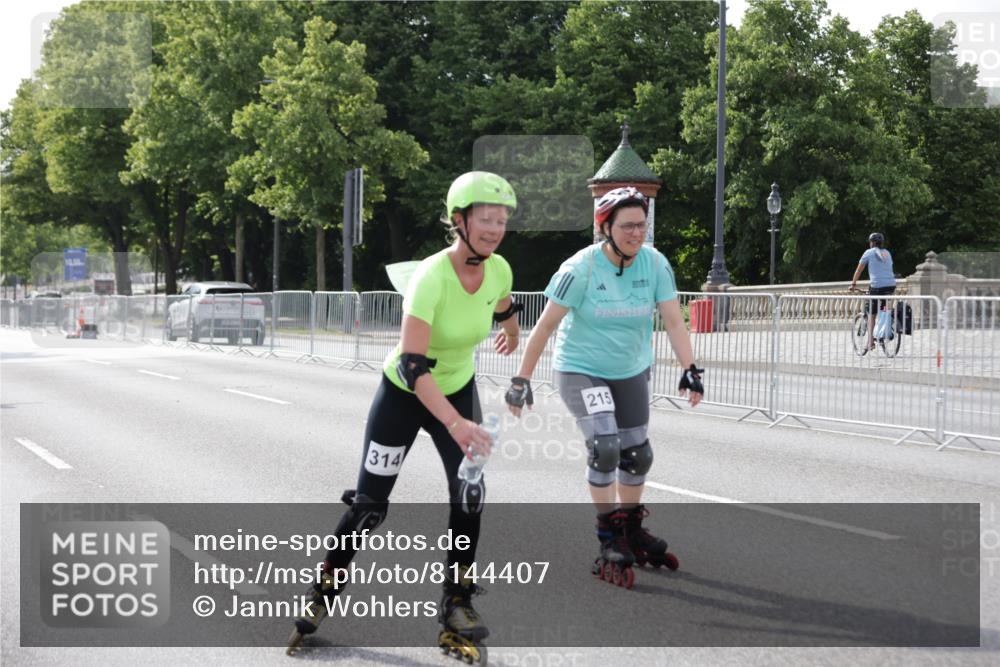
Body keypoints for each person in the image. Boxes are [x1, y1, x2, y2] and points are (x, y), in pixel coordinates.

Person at [287, 172, 521, 657]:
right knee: (370, 507)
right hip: (404, 394)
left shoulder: (499, 269)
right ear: (459, 220)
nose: (495, 228)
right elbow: (414, 366)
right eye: (485, 218)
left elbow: (503, 304)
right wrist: (457, 425)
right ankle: (323, 589)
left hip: (456, 390)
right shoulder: (431, 277)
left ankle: (457, 602)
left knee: (470, 493)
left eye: (501, 220)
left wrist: (511, 331)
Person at [504, 186, 703, 589]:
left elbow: (674, 320)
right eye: (628, 225)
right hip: (581, 369)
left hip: (630, 369)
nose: (636, 233)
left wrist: (691, 368)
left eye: (642, 225)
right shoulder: (581, 268)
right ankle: (608, 536)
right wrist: (521, 380)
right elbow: (545, 326)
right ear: (606, 227)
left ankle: (631, 528)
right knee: (606, 446)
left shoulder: (655, 264)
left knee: (638, 454)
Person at [850, 232, 896, 354]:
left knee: (871, 313)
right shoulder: (887, 253)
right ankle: (883, 331)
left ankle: (870, 342)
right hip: (890, 286)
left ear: (872, 242)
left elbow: (859, 269)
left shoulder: (869, 253)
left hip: (877, 288)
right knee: (884, 308)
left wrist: (853, 284)